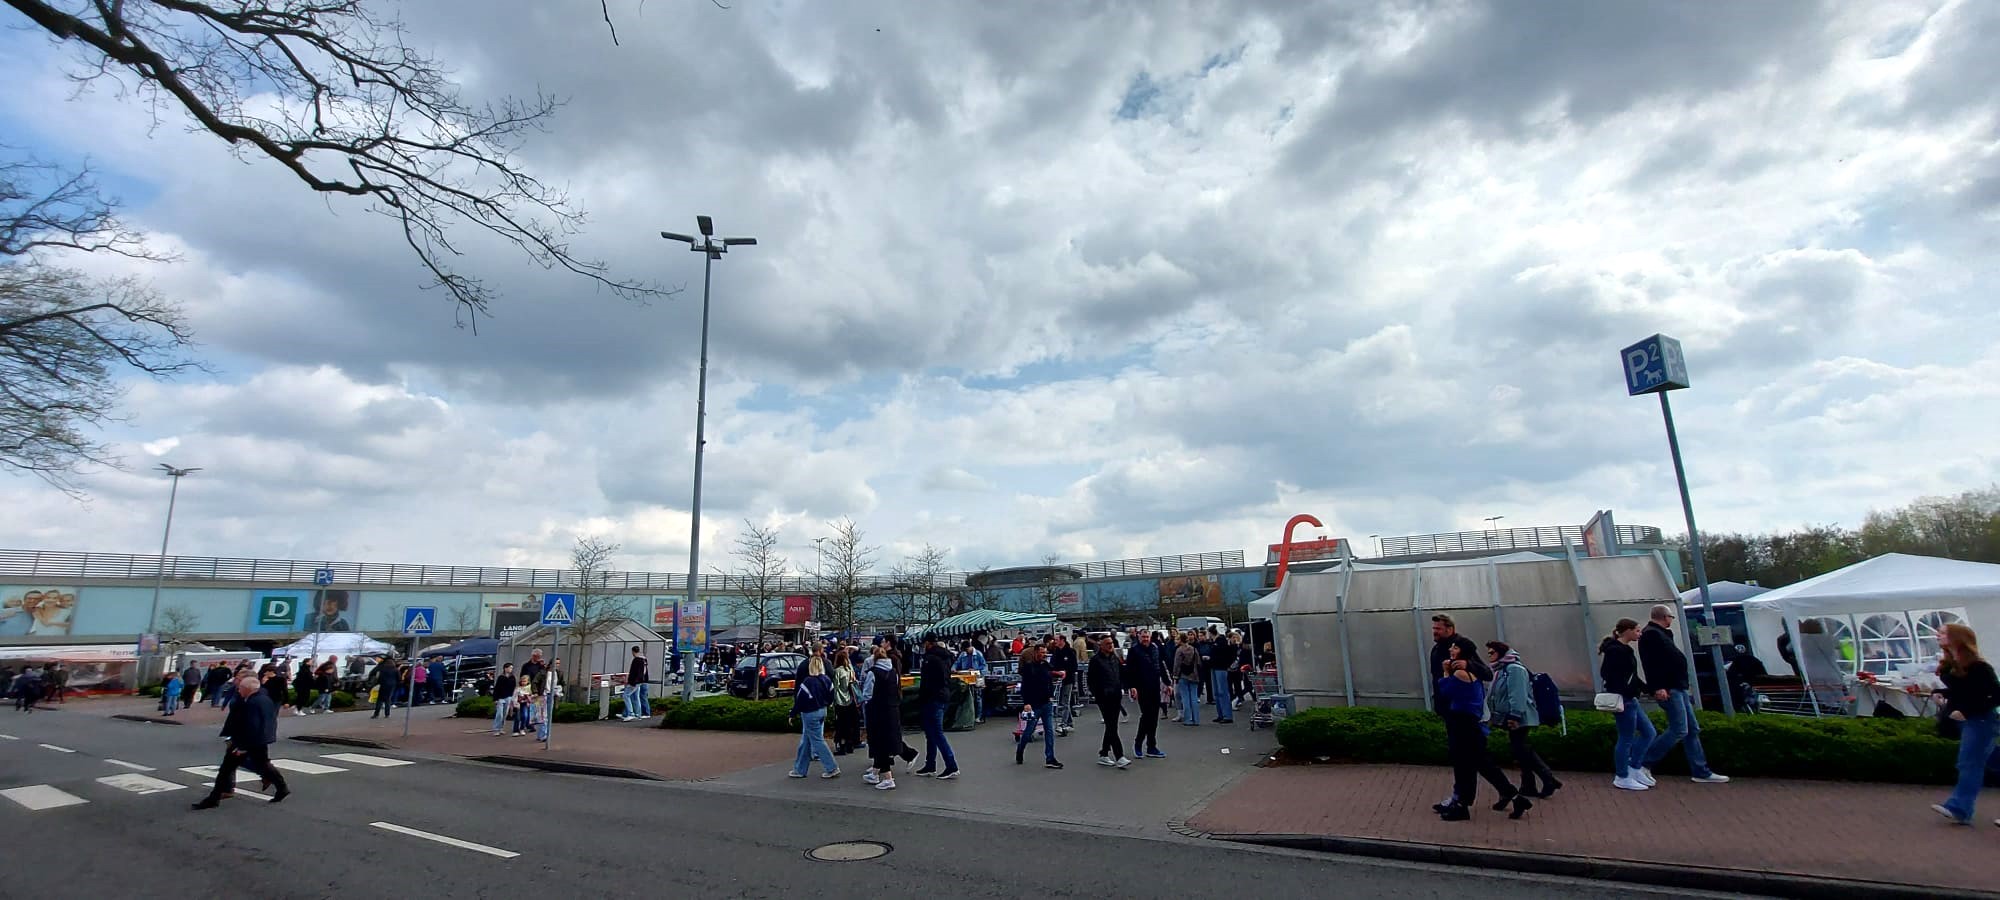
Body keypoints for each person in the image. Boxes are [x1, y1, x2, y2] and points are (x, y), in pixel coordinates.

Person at [1637, 604, 1729, 785]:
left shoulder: (1659, 634)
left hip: (1676, 686)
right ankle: (1642, 762)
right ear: (1664, 617)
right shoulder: (1652, 635)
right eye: (1671, 617)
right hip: (1670, 688)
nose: (1671, 620)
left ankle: (1700, 770)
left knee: (1691, 729)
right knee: (1679, 728)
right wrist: (1658, 687)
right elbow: (1651, 663)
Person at [1436, 643, 1526, 821]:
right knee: (1482, 764)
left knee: (1464, 764)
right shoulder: (1471, 672)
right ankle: (1514, 796)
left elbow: (1446, 691)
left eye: (1455, 648)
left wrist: (1445, 673)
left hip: (1463, 723)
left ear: (1463, 652)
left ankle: (1463, 805)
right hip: (1470, 723)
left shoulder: (1461, 673)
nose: (1450, 650)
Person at [1929, 623, 1999, 826]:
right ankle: (1961, 808)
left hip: (1980, 721)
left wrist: (1966, 710)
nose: (1938, 636)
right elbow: (1964, 691)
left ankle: (1960, 808)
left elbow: (1994, 694)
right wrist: (1941, 694)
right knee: (1988, 760)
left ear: (1956, 638)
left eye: (1943, 633)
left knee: (1969, 763)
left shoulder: (1979, 667)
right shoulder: (1952, 665)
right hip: (1966, 720)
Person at [192, 674, 290, 809]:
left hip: (247, 741)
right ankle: (281, 787)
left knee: (226, 770)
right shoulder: (263, 699)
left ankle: (213, 799)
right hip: (260, 739)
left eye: (241, 688)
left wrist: (241, 746)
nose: (238, 690)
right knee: (263, 764)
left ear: (248, 689)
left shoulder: (252, 702)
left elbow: (251, 725)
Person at [1486, 641, 1560, 799]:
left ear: (1501, 653)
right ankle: (1530, 784)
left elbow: (1517, 693)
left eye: (1492, 652)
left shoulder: (1514, 669)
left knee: (1520, 748)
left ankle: (1547, 778)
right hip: (1511, 715)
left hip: (1520, 716)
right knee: (1519, 749)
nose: (1489, 655)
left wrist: (1515, 715)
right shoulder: (1501, 669)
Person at [1600, 619, 1657, 791]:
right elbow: (1609, 674)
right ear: (1627, 631)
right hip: (1624, 699)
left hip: (1630, 698)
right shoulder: (1616, 651)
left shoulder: (1623, 649)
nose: (1639, 634)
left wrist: (1647, 689)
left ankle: (1633, 767)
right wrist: (1624, 689)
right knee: (1626, 737)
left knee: (1648, 732)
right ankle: (1622, 775)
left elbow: (1631, 675)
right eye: (1637, 631)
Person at [863, 647, 912, 790]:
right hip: (892, 710)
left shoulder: (873, 673)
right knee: (886, 741)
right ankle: (874, 772)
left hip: (877, 711)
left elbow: (867, 694)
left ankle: (888, 778)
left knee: (879, 743)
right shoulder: (893, 672)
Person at [914, 636, 961, 779]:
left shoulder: (931, 659)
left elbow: (928, 681)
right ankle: (930, 765)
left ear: (928, 643)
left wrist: (924, 696)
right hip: (942, 695)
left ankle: (951, 765)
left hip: (932, 697)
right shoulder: (945, 657)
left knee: (936, 732)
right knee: (932, 733)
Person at [789, 657, 840, 779]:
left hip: (810, 713)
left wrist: (792, 713)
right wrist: (826, 703)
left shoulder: (808, 682)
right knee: (807, 740)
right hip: (822, 710)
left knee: (817, 740)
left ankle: (831, 767)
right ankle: (799, 769)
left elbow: (800, 700)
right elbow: (832, 695)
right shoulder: (826, 680)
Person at [1015, 644, 1062, 769]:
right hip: (1034, 704)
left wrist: (1051, 693)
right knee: (1029, 731)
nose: (1044, 654)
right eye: (1042, 652)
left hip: (1046, 702)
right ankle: (1020, 749)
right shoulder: (1029, 668)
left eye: (1045, 652)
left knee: (1049, 730)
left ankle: (1050, 758)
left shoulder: (1046, 665)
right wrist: (1026, 703)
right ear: (1035, 653)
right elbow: (1025, 687)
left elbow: (1050, 679)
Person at [1122, 629, 1166, 759]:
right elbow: (1129, 670)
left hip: (1154, 686)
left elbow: (1161, 666)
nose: (1145, 639)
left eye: (1147, 636)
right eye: (1143, 637)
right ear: (1139, 637)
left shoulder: (1155, 648)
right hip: (1141, 687)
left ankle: (1152, 746)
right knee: (1146, 716)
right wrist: (1131, 687)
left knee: (1154, 718)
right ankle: (1138, 743)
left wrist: (1167, 683)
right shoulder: (1134, 651)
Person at [1089, 638, 1130, 768]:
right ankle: (1119, 756)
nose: (1110, 646)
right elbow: (1091, 680)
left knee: (1111, 725)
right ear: (1101, 646)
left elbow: (1121, 673)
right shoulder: (1095, 661)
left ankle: (1104, 753)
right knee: (1112, 726)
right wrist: (1098, 694)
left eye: (1111, 643)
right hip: (1104, 697)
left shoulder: (1114, 658)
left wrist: (1127, 686)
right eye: (1107, 644)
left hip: (1116, 695)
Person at [831, 649, 862, 755]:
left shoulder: (837, 671)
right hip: (851, 700)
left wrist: (833, 702)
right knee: (850, 724)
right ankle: (850, 745)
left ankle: (842, 746)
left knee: (841, 724)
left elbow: (835, 688)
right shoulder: (850, 669)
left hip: (840, 701)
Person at [953, 641, 989, 724]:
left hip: (977, 678)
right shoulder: (963, 655)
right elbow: (957, 663)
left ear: (970, 647)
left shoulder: (978, 654)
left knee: (978, 697)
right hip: (966, 678)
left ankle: (978, 716)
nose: (966, 651)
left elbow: (984, 666)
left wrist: (976, 670)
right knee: (967, 697)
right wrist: (954, 668)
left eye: (967, 649)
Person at [1049, 634, 1078, 734]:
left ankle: (1064, 723)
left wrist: (1066, 672)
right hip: (1057, 680)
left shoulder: (1070, 652)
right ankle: (1070, 723)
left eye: (1056, 640)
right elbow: (1052, 665)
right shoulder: (1055, 652)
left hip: (1068, 680)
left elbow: (1074, 667)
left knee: (1065, 701)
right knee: (1062, 701)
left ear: (1062, 640)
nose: (1055, 641)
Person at [1172, 633, 1203, 726]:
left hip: (1183, 676)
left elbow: (1176, 664)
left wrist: (1175, 675)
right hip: (1194, 675)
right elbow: (1199, 662)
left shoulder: (1179, 650)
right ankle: (1196, 719)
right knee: (1194, 697)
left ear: (1181, 640)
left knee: (1185, 698)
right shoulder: (1194, 649)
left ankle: (1188, 719)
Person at [1207, 628, 1236, 724]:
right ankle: (1220, 714)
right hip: (1214, 667)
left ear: (1211, 633)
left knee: (1222, 691)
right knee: (1217, 692)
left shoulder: (1222, 642)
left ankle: (1227, 715)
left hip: (1221, 668)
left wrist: (1226, 665)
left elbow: (1229, 654)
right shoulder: (1215, 642)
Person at [622, 646, 650, 721]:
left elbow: (635, 672)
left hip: (635, 681)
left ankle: (631, 713)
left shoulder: (636, 660)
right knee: (636, 697)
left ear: (633, 651)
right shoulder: (644, 660)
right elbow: (642, 672)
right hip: (640, 681)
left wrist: (632, 682)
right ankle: (638, 714)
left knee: (626, 695)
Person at [490, 663, 517, 736]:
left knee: (505, 714)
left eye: (512, 668)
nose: (511, 669)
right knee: (499, 714)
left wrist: (512, 698)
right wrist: (495, 699)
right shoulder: (501, 677)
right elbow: (497, 688)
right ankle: (496, 729)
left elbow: (514, 687)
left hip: (508, 697)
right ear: (505, 668)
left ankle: (501, 728)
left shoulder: (512, 677)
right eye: (510, 668)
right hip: (500, 698)